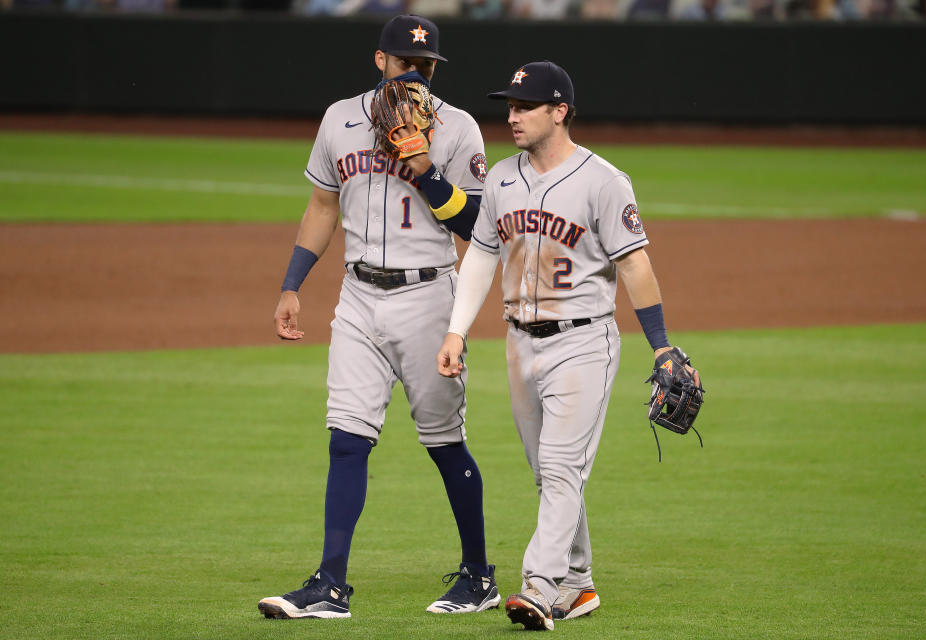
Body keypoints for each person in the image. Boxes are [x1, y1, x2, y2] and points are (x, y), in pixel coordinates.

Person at [436, 61, 700, 631]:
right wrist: (457, 329)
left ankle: (539, 584)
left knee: (559, 467)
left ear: (560, 111)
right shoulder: (502, 178)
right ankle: (578, 585)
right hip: (517, 343)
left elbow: (635, 264)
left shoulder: (604, 181)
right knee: (549, 471)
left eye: (525, 106)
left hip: (583, 341)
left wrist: (660, 346)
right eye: (509, 106)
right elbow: (482, 256)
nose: (512, 116)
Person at [258, 14, 499, 620]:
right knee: (347, 437)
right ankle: (329, 585)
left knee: (444, 443)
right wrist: (292, 284)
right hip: (358, 296)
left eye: (426, 66)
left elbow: (474, 227)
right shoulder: (339, 118)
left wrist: (424, 167)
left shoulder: (458, 127)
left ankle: (478, 574)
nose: (414, 74)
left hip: (428, 297)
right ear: (379, 60)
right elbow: (321, 204)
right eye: (404, 63)